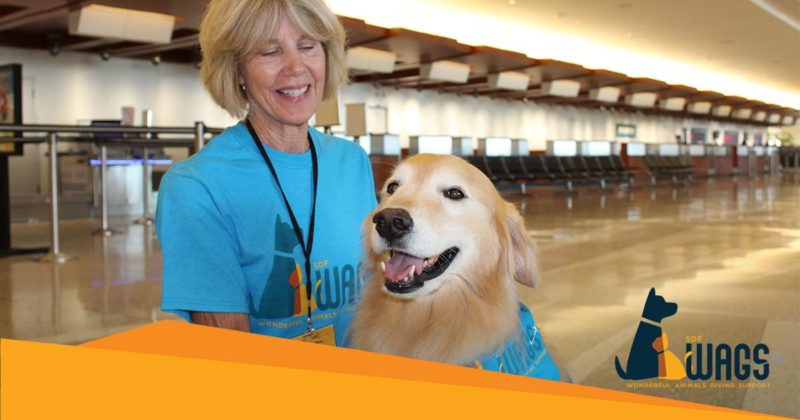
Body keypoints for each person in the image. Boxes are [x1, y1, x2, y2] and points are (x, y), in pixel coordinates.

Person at [156, 0, 376, 346]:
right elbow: (229, 354)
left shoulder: (353, 162)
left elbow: (379, 298)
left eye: (307, 46)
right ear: (237, 70)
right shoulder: (196, 187)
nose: (295, 67)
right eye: (270, 52)